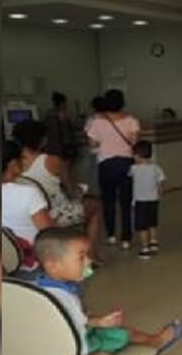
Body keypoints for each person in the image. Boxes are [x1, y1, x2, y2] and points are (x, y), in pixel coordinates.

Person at [33, 226, 182, 355]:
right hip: (72, 354)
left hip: (70, 342)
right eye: (81, 257)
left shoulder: (41, 287)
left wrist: (98, 322)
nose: (89, 261)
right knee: (125, 333)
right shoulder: (61, 299)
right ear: (53, 266)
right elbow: (64, 337)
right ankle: (156, 342)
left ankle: (149, 341)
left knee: (118, 331)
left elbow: (74, 321)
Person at [12, 120, 103, 263]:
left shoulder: (12, 163)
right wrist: (80, 190)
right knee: (95, 206)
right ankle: (91, 255)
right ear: (42, 140)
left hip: (25, 213)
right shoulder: (51, 160)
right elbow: (71, 189)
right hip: (53, 213)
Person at [85, 89, 140, 250]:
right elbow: (135, 143)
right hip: (127, 163)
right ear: (122, 102)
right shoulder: (132, 120)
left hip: (106, 165)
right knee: (126, 201)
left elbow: (92, 144)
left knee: (108, 201)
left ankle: (111, 236)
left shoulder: (97, 121)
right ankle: (126, 238)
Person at [1, 140, 53, 271]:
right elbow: (49, 235)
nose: (24, 161)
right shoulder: (28, 193)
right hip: (33, 264)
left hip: (3, 266)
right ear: (12, 164)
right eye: (22, 158)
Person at [129, 141, 165, 260]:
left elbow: (128, 175)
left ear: (138, 155)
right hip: (153, 200)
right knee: (152, 222)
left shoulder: (134, 168)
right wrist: (159, 192)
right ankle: (154, 242)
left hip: (140, 201)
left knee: (141, 226)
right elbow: (161, 183)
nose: (133, 157)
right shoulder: (156, 168)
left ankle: (145, 249)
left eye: (133, 155)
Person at [43, 91, 78, 162]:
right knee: (66, 168)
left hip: (51, 147)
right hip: (64, 147)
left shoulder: (48, 114)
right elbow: (70, 130)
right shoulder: (65, 115)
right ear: (62, 103)